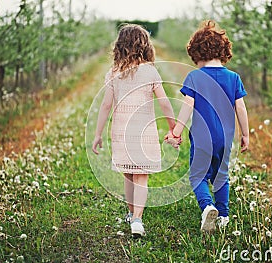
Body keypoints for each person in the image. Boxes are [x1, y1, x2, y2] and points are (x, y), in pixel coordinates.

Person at [165, 20, 249, 232]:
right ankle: (224, 216)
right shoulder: (233, 78)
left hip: (202, 138)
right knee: (221, 176)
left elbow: (188, 105)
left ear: (197, 53)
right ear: (223, 51)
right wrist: (246, 135)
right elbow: (241, 108)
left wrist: (176, 131)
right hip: (225, 139)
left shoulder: (195, 76)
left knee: (198, 176)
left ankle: (207, 207)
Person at [92, 24, 176, 237]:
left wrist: (97, 134)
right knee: (141, 176)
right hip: (144, 131)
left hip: (121, 132)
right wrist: (173, 127)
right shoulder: (150, 71)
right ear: (145, 46)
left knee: (128, 175)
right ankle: (137, 219)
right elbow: (165, 103)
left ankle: (131, 214)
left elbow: (105, 105)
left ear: (120, 46)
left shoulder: (114, 73)